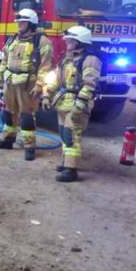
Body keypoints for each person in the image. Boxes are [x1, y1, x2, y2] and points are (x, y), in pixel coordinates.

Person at [0, 8, 53, 161]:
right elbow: (4, 61)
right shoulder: (13, 39)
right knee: (8, 113)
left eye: (23, 22)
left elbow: (45, 66)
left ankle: (29, 146)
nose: (19, 25)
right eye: (18, 22)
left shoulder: (42, 41)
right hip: (10, 81)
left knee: (26, 116)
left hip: (28, 85)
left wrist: (39, 85)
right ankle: (8, 140)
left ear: (31, 24)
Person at [42, 26, 101, 182]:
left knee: (71, 135)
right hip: (63, 103)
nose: (67, 42)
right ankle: (66, 162)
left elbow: (90, 85)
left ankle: (71, 170)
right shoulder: (66, 59)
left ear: (80, 42)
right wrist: (47, 95)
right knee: (64, 133)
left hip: (77, 104)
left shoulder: (90, 60)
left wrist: (80, 105)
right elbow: (55, 79)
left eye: (71, 40)